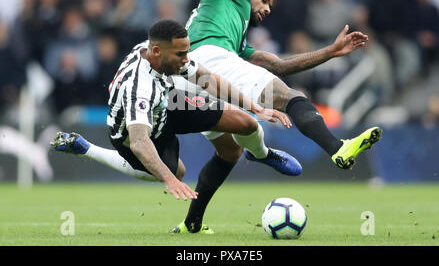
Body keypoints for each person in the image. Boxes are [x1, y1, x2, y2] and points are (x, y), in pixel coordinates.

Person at [149, 0, 383, 233]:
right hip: (207, 61)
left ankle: (192, 223)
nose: (268, 9)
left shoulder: (236, 39)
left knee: (229, 151)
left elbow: (279, 65)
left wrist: (329, 52)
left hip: (186, 78)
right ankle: (336, 147)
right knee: (290, 96)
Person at [51, 19, 301, 217]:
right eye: (181, 54)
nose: (186, 59)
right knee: (175, 172)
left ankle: (262, 154)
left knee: (246, 123)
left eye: (186, 52)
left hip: (167, 102)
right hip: (133, 131)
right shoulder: (139, 86)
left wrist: (255, 107)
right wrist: (169, 180)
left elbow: (209, 80)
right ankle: (86, 148)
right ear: (157, 51)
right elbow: (139, 142)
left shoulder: (164, 55)